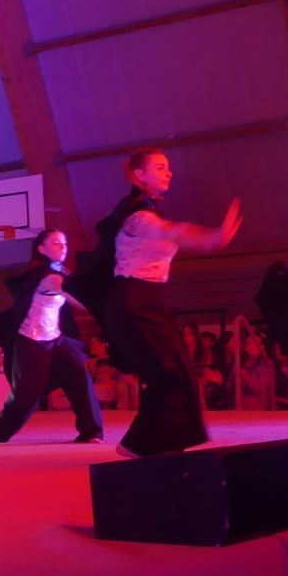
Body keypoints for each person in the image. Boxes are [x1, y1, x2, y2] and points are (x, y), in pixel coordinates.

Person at [71, 148, 242, 457]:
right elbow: (171, 231)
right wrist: (212, 238)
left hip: (154, 305)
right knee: (169, 376)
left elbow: (169, 232)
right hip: (132, 304)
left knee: (181, 374)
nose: (169, 172)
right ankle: (142, 445)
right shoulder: (135, 215)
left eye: (168, 167)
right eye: (161, 167)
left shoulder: (148, 212)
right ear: (140, 175)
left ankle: (153, 444)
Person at [0, 229, 103, 443]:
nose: (63, 247)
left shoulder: (60, 273)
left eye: (64, 243)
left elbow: (80, 298)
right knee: (27, 395)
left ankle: (91, 431)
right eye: (56, 243)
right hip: (31, 342)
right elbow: (78, 299)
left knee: (78, 376)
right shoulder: (51, 278)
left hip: (55, 340)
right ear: (41, 249)